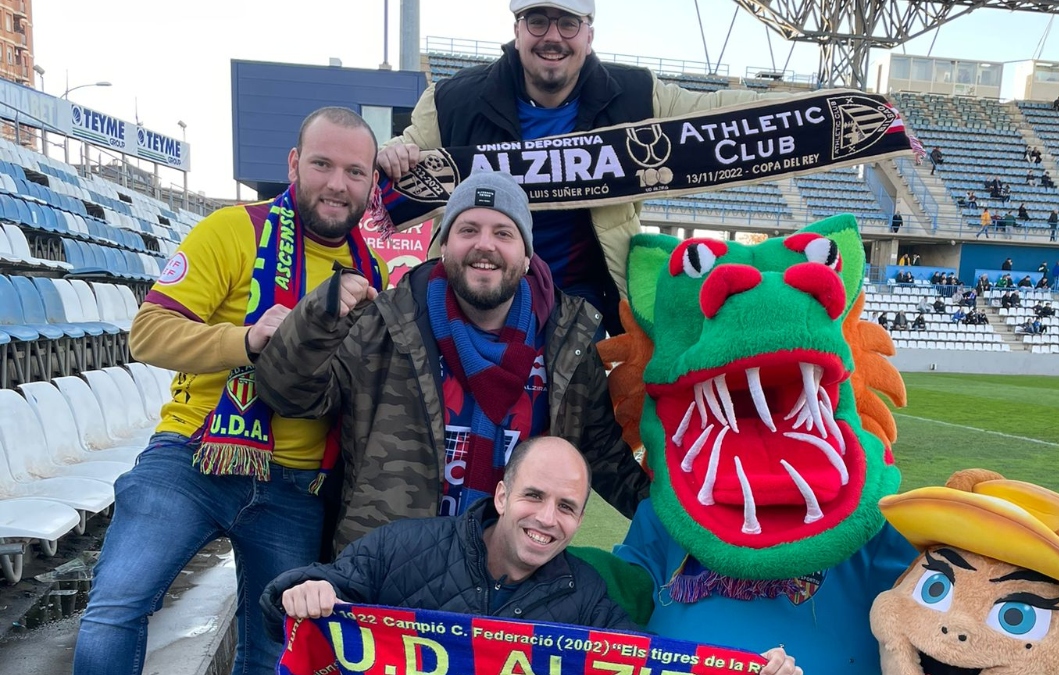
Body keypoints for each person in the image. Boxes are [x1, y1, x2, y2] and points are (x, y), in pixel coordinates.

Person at [72, 108, 389, 675]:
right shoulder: (231, 229)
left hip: (296, 484)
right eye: (322, 164)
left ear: (371, 182)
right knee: (116, 608)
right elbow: (147, 334)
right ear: (294, 163)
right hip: (193, 457)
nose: (338, 184)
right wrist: (247, 339)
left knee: (275, 648)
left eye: (355, 171)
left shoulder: (372, 270)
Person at [255, 170, 650, 554]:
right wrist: (316, 318)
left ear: (527, 255)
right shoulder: (386, 322)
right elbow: (290, 395)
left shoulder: (567, 340)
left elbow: (602, 455)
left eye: (503, 233)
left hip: (511, 577)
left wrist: (686, 518)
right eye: (468, 230)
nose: (485, 245)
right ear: (444, 246)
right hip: (392, 571)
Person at [377, 0, 790, 339]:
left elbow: (713, 115)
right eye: (538, 22)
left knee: (570, 424)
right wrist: (392, 154)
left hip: (581, 298)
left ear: (588, 35)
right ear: (517, 31)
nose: (553, 37)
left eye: (569, 24)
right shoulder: (453, 99)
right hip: (478, 285)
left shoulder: (635, 94)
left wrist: (806, 114)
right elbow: (409, 147)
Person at [261, 437, 801, 675]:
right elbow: (292, 605)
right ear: (501, 495)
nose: (547, 519)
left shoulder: (586, 596)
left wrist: (747, 672)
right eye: (533, 497)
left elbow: (656, 665)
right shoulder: (404, 546)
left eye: (566, 507)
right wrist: (303, 590)